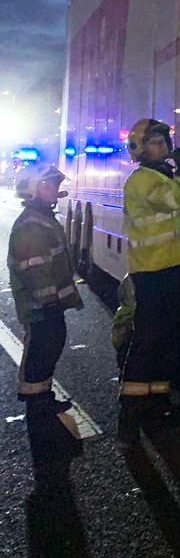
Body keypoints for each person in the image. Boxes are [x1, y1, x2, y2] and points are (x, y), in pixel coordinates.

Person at [117, 118, 180, 445]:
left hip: (174, 269)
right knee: (149, 341)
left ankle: (154, 404)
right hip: (154, 273)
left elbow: (179, 208)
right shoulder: (142, 180)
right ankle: (129, 416)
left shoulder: (160, 177)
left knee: (168, 340)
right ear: (139, 149)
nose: (163, 147)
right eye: (155, 142)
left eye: (163, 141)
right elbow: (172, 199)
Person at [8, 164, 83, 418]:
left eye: (55, 185)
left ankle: (41, 397)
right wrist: (48, 301)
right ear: (32, 190)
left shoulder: (41, 218)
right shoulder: (32, 224)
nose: (54, 190)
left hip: (47, 304)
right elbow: (36, 268)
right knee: (42, 349)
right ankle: (36, 403)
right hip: (40, 306)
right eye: (47, 185)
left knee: (49, 346)